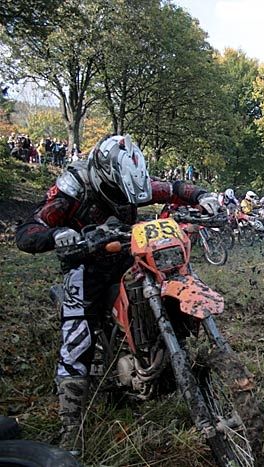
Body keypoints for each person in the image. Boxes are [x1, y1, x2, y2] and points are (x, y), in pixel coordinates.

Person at [14, 135, 219, 455]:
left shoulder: (131, 179)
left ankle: (157, 354)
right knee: (77, 335)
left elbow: (172, 188)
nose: (124, 199)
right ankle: (72, 427)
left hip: (125, 251)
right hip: (86, 262)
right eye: (117, 192)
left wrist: (204, 196)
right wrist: (58, 234)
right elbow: (29, 229)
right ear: (101, 175)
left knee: (167, 278)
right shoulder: (73, 187)